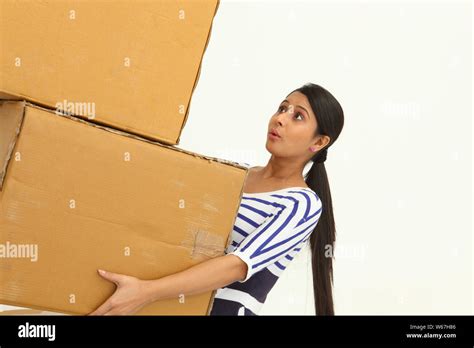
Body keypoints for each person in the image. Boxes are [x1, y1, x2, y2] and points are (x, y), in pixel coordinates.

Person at [89, 82, 344, 316]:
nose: (279, 119)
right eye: (282, 108)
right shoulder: (232, 175)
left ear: (319, 142)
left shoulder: (302, 204)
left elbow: (237, 266)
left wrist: (146, 291)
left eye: (297, 116)